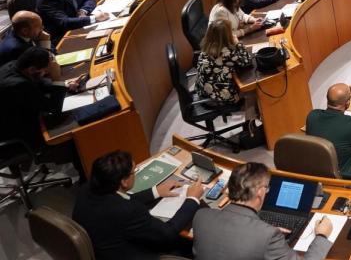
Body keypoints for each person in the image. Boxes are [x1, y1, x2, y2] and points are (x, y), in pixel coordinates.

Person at [72, 150, 203, 260]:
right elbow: (167, 234)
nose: (135, 174)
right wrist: (192, 199)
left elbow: (118, 199)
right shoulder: (129, 211)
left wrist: (156, 191)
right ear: (123, 181)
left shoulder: (87, 188)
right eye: (134, 171)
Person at [192, 162, 333, 260]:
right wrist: (321, 236)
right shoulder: (268, 235)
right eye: (267, 188)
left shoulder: (201, 215)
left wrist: (262, 229)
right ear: (260, 192)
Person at [0, 47, 86, 166]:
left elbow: (38, 82)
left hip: (15, 119)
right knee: (77, 139)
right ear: (32, 69)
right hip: (18, 137)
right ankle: (83, 178)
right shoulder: (17, 85)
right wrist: (57, 79)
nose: (47, 74)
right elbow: (54, 108)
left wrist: (65, 84)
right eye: (46, 72)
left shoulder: (15, 65)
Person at [196, 18, 253, 105]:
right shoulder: (225, 53)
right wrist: (238, 43)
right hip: (218, 97)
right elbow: (247, 61)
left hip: (203, 92)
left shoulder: (206, 48)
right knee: (252, 92)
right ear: (226, 36)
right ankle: (251, 115)